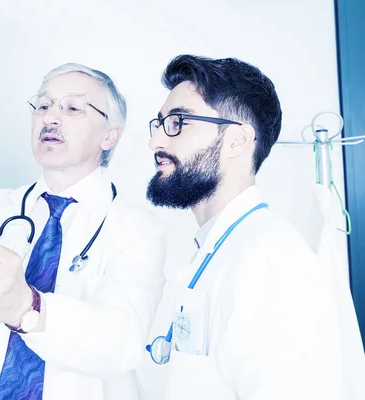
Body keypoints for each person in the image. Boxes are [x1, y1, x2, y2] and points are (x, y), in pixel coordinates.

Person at [0, 63, 167, 400]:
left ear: (110, 135)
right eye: (44, 105)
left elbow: (122, 341)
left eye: (73, 108)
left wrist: (26, 307)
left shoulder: (136, 227)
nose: (51, 118)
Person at [145, 54, 348, 399]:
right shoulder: (222, 247)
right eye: (160, 123)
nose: (156, 142)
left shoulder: (274, 262)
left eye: (178, 122)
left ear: (237, 141)